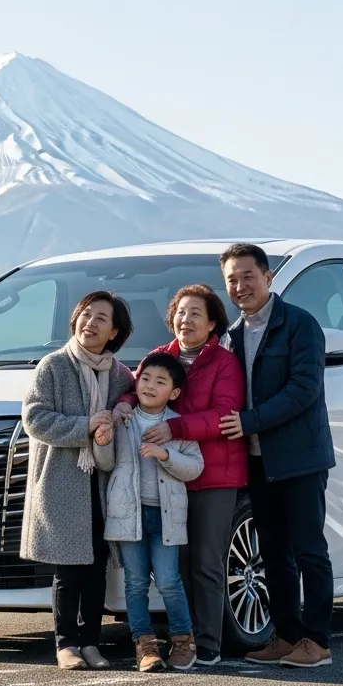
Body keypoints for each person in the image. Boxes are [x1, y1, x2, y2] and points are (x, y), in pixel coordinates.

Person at [216, 243, 336, 669]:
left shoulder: (300, 325)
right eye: (231, 279)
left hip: (300, 458)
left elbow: (304, 390)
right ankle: (286, 636)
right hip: (256, 461)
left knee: (308, 549)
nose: (240, 285)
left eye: (248, 276)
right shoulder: (229, 336)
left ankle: (317, 640)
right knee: (271, 553)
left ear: (268, 278)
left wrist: (250, 421)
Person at [114, 284, 245, 666]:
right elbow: (137, 392)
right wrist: (122, 405)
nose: (185, 320)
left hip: (214, 473)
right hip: (166, 479)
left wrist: (176, 429)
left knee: (205, 561)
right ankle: (179, 638)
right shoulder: (160, 357)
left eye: (195, 314)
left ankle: (207, 643)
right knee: (177, 565)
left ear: (212, 323)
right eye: (181, 312)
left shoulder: (224, 362)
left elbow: (225, 415)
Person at [21, 290, 135, 670]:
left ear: (114, 331)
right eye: (86, 314)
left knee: (97, 567)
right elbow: (35, 418)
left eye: (102, 318)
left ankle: (92, 643)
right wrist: (86, 426)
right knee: (68, 570)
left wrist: (121, 411)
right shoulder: (53, 366)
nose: (91, 322)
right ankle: (66, 643)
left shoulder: (120, 375)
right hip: (62, 480)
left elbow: (130, 406)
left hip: (102, 483)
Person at [95, 352, 204, 672]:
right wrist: (102, 440)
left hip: (166, 517)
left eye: (160, 382)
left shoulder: (176, 425)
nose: (150, 386)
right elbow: (105, 463)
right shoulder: (124, 418)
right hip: (129, 514)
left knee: (170, 580)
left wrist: (165, 454)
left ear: (174, 392)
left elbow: (195, 467)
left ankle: (184, 643)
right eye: (144, 379)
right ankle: (145, 646)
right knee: (135, 582)